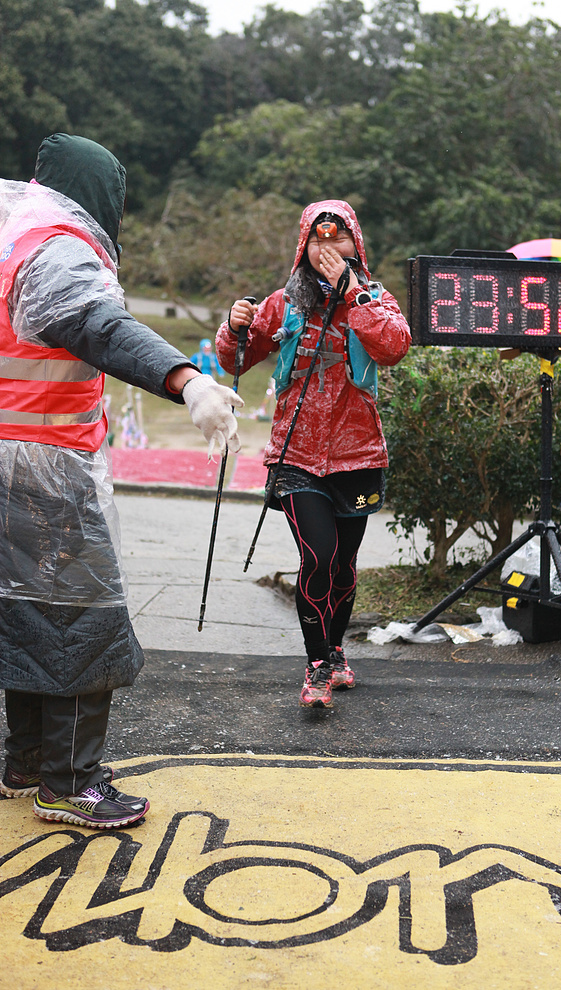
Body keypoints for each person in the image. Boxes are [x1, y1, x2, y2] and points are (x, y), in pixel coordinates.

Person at [0, 134, 243, 828]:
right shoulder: (58, 245)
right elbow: (97, 325)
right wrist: (187, 378)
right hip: (47, 467)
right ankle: (71, 782)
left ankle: (23, 762)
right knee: (81, 621)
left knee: (23, 611)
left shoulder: (10, 233)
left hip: (7, 459)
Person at [216, 200, 411, 709]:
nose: (327, 249)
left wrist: (354, 294)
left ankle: (337, 651)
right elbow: (237, 358)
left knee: (345, 565)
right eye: (317, 240)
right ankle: (317, 663)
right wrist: (235, 326)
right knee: (318, 555)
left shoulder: (375, 297)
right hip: (295, 455)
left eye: (338, 239)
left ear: (356, 247)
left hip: (359, 454)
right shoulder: (284, 302)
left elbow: (394, 346)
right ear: (303, 247)